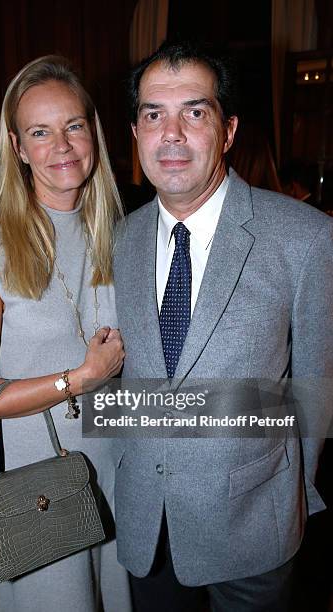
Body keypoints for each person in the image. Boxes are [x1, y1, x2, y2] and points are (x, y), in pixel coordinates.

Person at [111, 41, 333, 611]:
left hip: (254, 521)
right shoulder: (121, 238)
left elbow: (316, 388)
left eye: (195, 111)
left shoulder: (304, 238)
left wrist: (295, 497)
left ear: (228, 130)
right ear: (135, 132)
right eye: (154, 114)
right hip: (147, 523)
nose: (173, 134)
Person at [0, 55, 131, 612]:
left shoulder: (123, 233)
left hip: (116, 464)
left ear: (93, 131)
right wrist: (79, 379)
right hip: (37, 477)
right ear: (18, 147)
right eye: (41, 132)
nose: (63, 146)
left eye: (73, 126)